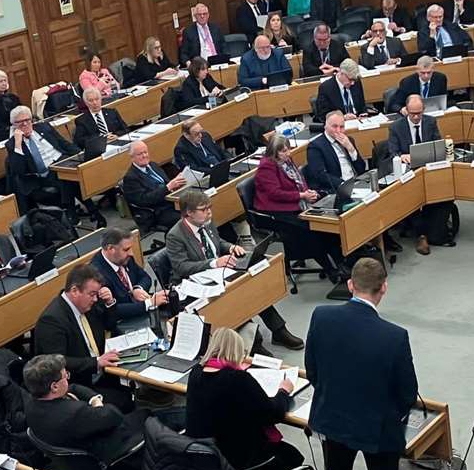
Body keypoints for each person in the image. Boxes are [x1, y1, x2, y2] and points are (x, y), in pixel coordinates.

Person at [304, 257, 416, 470]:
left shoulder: (321, 316)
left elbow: (313, 370)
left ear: (350, 284)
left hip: (332, 418)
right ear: (384, 287)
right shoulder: (394, 336)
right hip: (377, 427)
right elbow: (407, 393)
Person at [167, 191, 303, 349]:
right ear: (189, 213)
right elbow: (181, 266)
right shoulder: (175, 235)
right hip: (195, 283)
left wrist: (231, 247)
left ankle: (278, 331)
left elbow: (218, 242)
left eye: (209, 207)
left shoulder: (207, 222)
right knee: (236, 296)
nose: (209, 212)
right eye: (203, 209)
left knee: (250, 286)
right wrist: (214, 263)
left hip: (218, 274)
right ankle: (254, 344)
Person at [186, 327, 303, 470]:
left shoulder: (196, 373)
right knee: (292, 455)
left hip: (206, 453)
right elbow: (273, 413)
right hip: (238, 456)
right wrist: (283, 391)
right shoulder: (238, 380)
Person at [14, 353, 146, 463]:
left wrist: (93, 398)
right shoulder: (75, 413)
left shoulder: (31, 403)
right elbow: (114, 415)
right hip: (109, 451)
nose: (68, 380)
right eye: (66, 377)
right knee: (148, 416)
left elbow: (73, 388)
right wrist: (98, 405)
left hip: (72, 450)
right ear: (54, 386)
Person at [32, 264, 132, 409]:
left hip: (101, 372)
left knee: (135, 388)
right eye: (92, 294)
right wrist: (96, 362)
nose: (96, 299)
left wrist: (110, 303)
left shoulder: (87, 304)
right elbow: (58, 362)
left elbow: (109, 324)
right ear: (74, 291)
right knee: (124, 401)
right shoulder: (52, 321)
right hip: (79, 384)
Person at [254, 134, 346, 283]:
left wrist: (307, 192)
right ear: (273, 152)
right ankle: (331, 269)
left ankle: (341, 262)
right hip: (275, 211)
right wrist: (302, 195)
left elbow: (299, 180)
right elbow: (275, 193)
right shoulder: (267, 166)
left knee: (324, 223)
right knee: (311, 230)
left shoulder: (287, 161)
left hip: (296, 203)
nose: (288, 153)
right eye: (283, 151)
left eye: (288, 149)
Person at [387, 95, 452, 256]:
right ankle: (421, 234)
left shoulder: (430, 122)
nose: (416, 117)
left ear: (423, 110)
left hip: (429, 167)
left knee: (445, 189)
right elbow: (392, 152)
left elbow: (438, 145)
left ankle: (436, 231)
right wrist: (402, 156)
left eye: (419, 113)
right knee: (412, 196)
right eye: (412, 113)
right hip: (408, 171)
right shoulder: (396, 127)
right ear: (406, 111)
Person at [4, 105, 77, 217]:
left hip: (60, 162)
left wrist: (81, 154)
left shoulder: (43, 128)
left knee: (73, 172)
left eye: (27, 120)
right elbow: (18, 171)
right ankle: (74, 213)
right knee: (66, 178)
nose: (25, 124)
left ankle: (80, 212)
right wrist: (18, 145)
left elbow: (63, 143)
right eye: (20, 122)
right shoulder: (12, 144)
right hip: (41, 175)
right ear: (14, 125)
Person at [92, 228, 168, 327]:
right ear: (110, 249)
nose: (131, 253)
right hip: (124, 322)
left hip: (141, 308)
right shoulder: (96, 274)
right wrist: (149, 303)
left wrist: (137, 289)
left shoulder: (124, 258)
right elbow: (114, 310)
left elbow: (145, 277)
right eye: (126, 249)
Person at [122, 140, 187, 230]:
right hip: (158, 211)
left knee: (197, 207)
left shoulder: (153, 165)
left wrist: (176, 184)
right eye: (140, 154)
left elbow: (166, 183)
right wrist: (168, 187)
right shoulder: (131, 178)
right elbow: (144, 200)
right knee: (187, 217)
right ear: (132, 157)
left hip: (172, 201)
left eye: (145, 152)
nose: (144, 156)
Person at [305, 110, 367, 195]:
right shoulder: (315, 147)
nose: (338, 130)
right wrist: (344, 185)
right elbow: (320, 175)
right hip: (337, 189)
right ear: (325, 126)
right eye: (334, 126)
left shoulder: (349, 140)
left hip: (357, 184)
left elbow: (361, 169)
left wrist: (351, 150)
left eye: (342, 127)